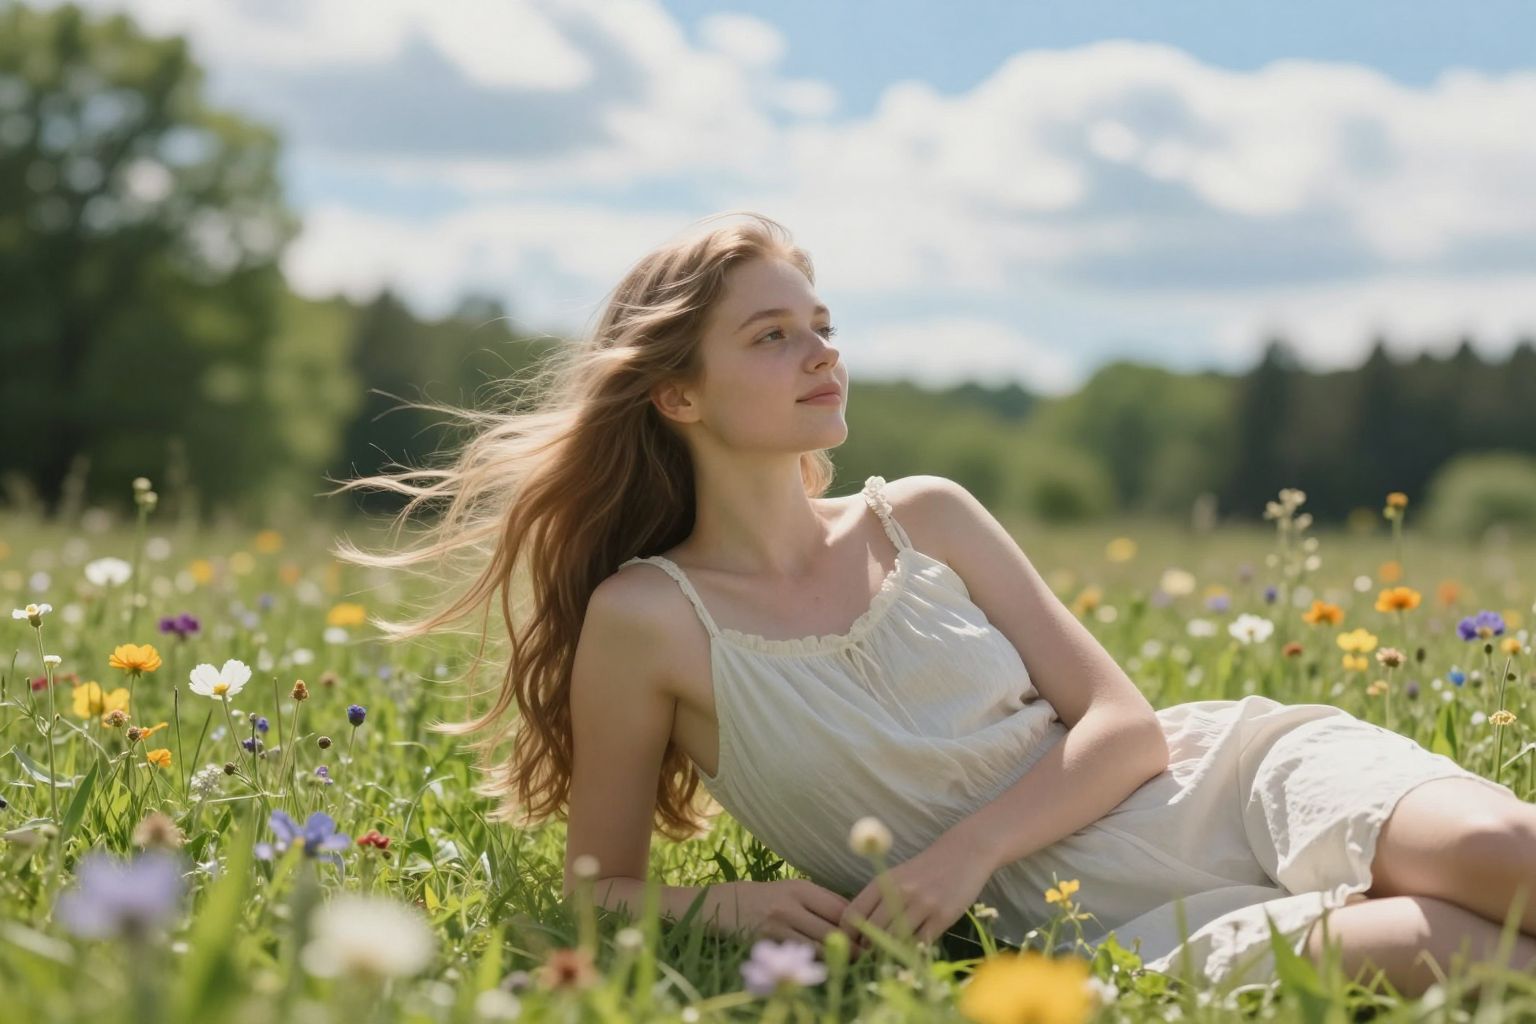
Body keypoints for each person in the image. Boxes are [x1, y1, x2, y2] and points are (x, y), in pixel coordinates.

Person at [331, 211, 1536, 998]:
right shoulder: (649, 619)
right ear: (679, 396)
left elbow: (1122, 720)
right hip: (1085, 924)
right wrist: (734, 898)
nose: (821, 354)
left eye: (823, 327)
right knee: (1462, 950)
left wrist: (961, 853)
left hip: (1211, 778)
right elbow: (599, 887)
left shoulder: (927, 512)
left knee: (1500, 852)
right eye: (771, 335)